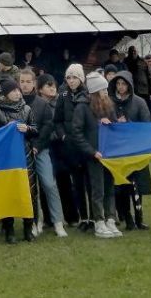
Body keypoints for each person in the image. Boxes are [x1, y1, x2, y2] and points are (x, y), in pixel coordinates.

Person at [68, 72, 121, 239]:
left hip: (109, 154)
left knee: (110, 187)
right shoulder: (82, 107)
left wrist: (110, 123)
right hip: (94, 156)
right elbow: (76, 133)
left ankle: (110, 218)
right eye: (103, 90)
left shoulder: (108, 106)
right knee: (97, 189)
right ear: (96, 92)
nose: (106, 93)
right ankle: (99, 221)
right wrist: (92, 152)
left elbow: (114, 127)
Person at [108, 71, 151, 231]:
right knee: (121, 186)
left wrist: (129, 123)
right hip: (118, 151)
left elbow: (146, 124)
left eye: (124, 84)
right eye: (118, 84)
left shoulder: (139, 102)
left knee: (137, 185)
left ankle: (139, 218)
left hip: (135, 150)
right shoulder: (110, 102)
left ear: (129, 85)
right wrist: (114, 123)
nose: (121, 87)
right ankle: (127, 218)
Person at [0, 79, 33, 243]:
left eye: (19, 90)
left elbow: (35, 128)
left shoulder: (27, 109)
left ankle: (28, 230)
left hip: (26, 156)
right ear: (6, 94)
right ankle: (9, 230)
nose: (18, 93)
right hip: (6, 158)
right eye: (14, 90)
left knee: (29, 192)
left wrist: (28, 129)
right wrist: (5, 129)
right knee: (8, 193)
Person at [30, 74, 68, 237]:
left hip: (42, 149)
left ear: (34, 84)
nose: (25, 85)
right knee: (31, 189)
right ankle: (35, 221)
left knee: (49, 184)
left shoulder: (42, 105)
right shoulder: (18, 104)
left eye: (28, 82)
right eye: (22, 82)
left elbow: (47, 126)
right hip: (24, 150)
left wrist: (37, 146)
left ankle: (58, 221)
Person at [55, 65, 89, 229]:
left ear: (81, 78)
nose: (71, 81)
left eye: (74, 77)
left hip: (87, 144)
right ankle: (83, 217)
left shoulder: (88, 95)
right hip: (70, 145)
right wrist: (63, 136)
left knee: (91, 182)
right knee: (77, 183)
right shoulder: (62, 96)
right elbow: (58, 120)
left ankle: (96, 217)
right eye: (68, 78)